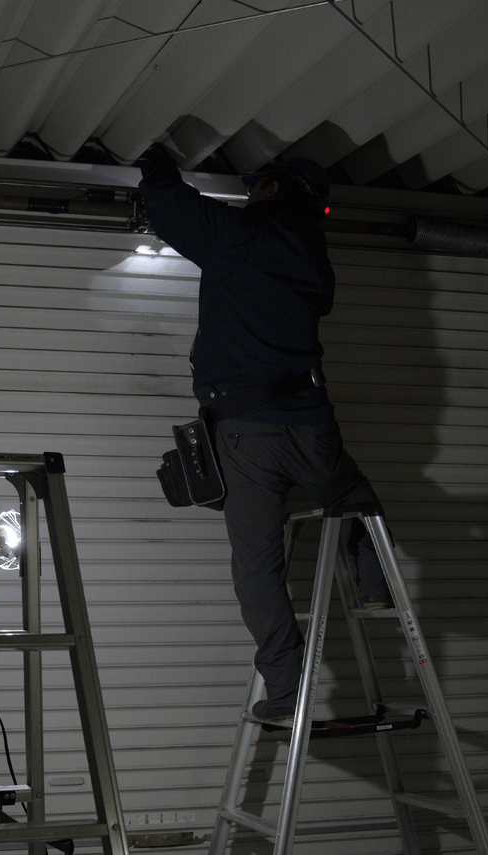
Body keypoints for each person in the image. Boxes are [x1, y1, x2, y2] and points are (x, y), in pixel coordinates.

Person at [137, 144, 392, 726]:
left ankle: (287, 692)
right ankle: (374, 579)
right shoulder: (315, 256)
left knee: (258, 569)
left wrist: (156, 160)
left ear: (274, 188)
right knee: (355, 497)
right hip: (312, 424)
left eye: (257, 185)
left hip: (247, 434)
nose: (249, 193)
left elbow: (170, 206)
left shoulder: (243, 234)